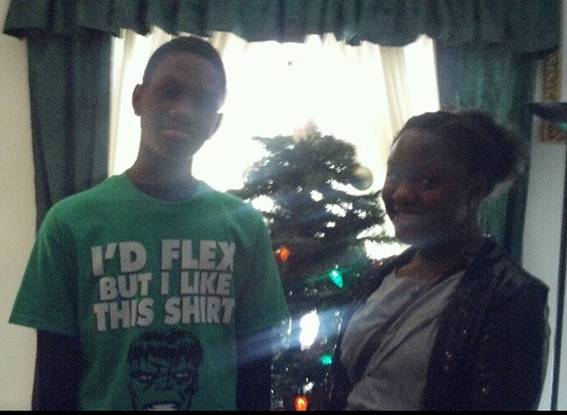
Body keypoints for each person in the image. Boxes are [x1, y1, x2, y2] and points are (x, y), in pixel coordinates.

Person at [10, 36, 289, 411]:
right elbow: (54, 378)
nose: (183, 109)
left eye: (202, 100)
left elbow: (254, 374)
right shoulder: (70, 223)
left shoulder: (244, 227)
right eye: (169, 91)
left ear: (216, 123)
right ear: (139, 98)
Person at [325, 110, 550, 411]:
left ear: (474, 191)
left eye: (427, 181)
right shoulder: (380, 277)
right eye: (394, 175)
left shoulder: (511, 298)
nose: (401, 193)